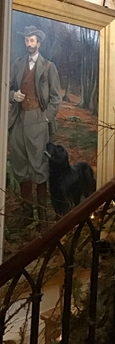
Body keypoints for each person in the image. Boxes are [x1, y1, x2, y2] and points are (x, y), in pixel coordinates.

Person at [8, 26, 62, 223]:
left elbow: (56, 97)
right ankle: (27, 214)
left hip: (38, 120)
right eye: (27, 40)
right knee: (20, 164)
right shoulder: (17, 64)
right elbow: (6, 86)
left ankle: (41, 216)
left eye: (32, 41)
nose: (29, 44)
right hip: (18, 119)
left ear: (38, 43)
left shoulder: (48, 67)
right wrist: (12, 95)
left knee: (39, 166)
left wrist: (46, 117)